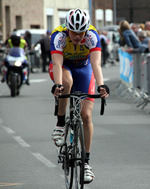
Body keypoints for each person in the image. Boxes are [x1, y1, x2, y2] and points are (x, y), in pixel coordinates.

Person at [49, 8, 109, 184]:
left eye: (80, 31)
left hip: (84, 68)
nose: (77, 35)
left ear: (86, 29)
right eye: (74, 32)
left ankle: (86, 163)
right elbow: (57, 64)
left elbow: (96, 64)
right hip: (63, 67)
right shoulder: (58, 36)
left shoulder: (92, 35)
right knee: (66, 83)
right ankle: (60, 124)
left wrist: (101, 86)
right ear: (68, 29)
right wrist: (58, 85)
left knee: (86, 115)